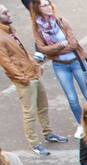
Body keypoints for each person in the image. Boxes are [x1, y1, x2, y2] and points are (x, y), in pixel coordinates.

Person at [0, 4, 63, 156]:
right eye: (4, 12)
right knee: (29, 112)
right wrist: (22, 77)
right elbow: (5, 62)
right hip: (25, 78)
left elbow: (22, 51)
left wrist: (35, 65)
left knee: (43, 105)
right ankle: (34, 143)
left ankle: (48, 133)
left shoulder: (10, 31)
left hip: (32, 73)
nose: (9, 13)